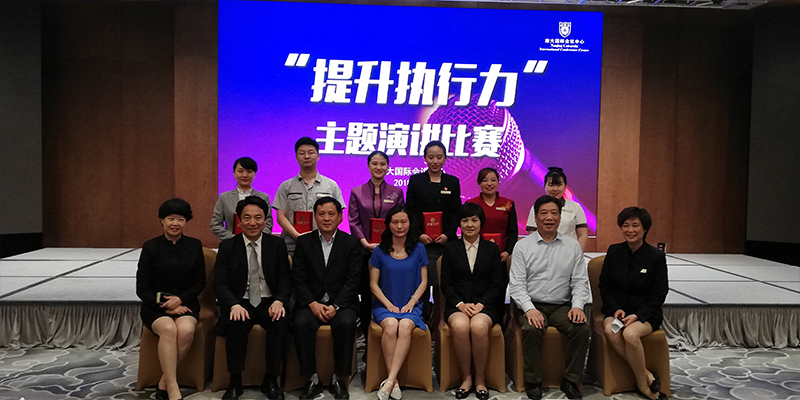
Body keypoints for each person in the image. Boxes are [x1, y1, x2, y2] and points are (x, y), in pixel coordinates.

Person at [509, 195, 590, 400]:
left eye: (554, 213)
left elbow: (580, 281)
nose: (549, 217)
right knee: (532, 328)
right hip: (531, 304)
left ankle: (571, 380)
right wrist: (529, 309)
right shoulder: (522, 246)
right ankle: (533, 381)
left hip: (562, 306)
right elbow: (517, 285)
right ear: (535, 218)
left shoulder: (572, 246)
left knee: (581, 328)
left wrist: (578, 306)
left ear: (560, 217)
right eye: (543, 213)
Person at [215, 196, 291, 400]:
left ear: (265, 220)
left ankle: (271, 379)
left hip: (269, 301)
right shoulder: (227, 247)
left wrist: (279, 301)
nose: (252, 223)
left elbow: (285, 279)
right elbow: (220, 283)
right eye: (247, 218)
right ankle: (235, 380)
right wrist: (233, 304)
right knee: (235, 323)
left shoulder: (276, 245)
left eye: (258, 217)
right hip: (241, 302)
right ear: (239, 220)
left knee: (281, 321)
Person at [291, 197, 362, 400]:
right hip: (311, 303)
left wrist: (336, 306)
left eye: (331, 214)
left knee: (347, 323)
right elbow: (298, 278)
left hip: (342, 303)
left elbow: (353, 279)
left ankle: (340, 378)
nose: (326, 218)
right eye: (321, 214)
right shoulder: (304, 242)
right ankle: (311, 379)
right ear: (315, 217)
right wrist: (312, 304)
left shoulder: (351, 243)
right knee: (300, 323)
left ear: (340, 217)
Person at [136, 198, 205, 400]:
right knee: (168, 329)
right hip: (155, 306)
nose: (175, 223)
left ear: (186, 222)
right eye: (170, 218)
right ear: (161, 220)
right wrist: (166, 305)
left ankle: (163, 382)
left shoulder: (194, 246)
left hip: (186, 304)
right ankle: (173, 388)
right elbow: (142, 288)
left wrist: (180, 300)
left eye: (180, 219)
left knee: (185, 331)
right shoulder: (150, 247)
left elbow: (199, 282)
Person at [599, 207, 668, 400]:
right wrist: (616, 309)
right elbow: (605, 286)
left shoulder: (655, 257)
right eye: (625, 225)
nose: (630, 230)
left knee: (630, 334)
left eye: (635, 225)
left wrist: (638, 315)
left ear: (645, 229)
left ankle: (642, 386)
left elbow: (660, 293)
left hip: (645, 313)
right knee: (611, 330)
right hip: (619, 312)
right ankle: (646, 375)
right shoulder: (614, 251)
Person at [440, 203, 507, 400]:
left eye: (474, 220)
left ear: (481, 223)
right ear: (459, 224)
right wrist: (460, 304)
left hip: (485, 306)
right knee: (460, 326)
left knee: (478, 327)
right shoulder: (450, 249)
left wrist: (481, 305)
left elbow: (497, 285)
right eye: (465, 220)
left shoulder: (492, 249)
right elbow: (446, 284)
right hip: (457, 305)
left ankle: (480, 379)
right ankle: (466, 378)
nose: (470, 224)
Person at [369, 206, 429, 400]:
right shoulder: (379, 250)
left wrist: (413, 301)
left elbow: (424, 281)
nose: (399, 226)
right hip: (384, 305)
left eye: (403, 221)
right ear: (388, 225)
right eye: (395, 222)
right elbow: (373, 284)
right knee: (391, 325)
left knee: (404, 326)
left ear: (410, 223)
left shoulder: (419, 249)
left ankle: (389, 381)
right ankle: (393, 382)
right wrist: (388, 304)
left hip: (411, 304)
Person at [348, 150, 405, 337]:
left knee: (389, 293)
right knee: (366, 295)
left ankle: (390, 335)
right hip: (364, 251)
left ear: (388, 167)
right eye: (374, 163)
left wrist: (388, 243)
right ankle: (366, 338)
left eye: (382, 164)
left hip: (390, 251)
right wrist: (364, 242)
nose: (378, 167)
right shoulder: (356, 192)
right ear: (368, 166)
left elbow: (400, 220)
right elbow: (353, 221)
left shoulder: (397, 192)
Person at [406, 140, 461, 321]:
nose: (435, 161)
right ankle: (420, 323)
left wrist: (448, 235)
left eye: (439, 157)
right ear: (425, 158)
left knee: (442, 287)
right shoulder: (416, 181)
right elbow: (410, 211)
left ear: (445, 158)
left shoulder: (452, 182)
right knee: (419, 285)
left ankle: (440, 323)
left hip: (444, 244)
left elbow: (456, 212)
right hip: (420, 243)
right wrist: (418, 234)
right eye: (431, 157)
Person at [274, 137, 345, 256]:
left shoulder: (331, 185)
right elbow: (281, 217)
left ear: (318, 156)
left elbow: (339, 216)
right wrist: (298, 236)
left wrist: (323, 235)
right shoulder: (286, 186)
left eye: (311, 152)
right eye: (302, 153)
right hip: (292, 245)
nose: (306, 156)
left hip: (323, 245)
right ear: (296, 157)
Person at [525, 167, 588, 251]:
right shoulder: (536, 207)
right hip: (542, 253)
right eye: (551, 185)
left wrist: (577, 254)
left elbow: (582, 235)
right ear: (544, 186)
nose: (555, 189)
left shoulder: (575, 207)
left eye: (559, 185)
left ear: (565, 186)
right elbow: (532, 234)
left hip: (569, 253)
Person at [211, 156, 273, 240]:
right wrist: (235, 239)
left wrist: (256, 238)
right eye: (240, 171)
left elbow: (268, 224)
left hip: (258, 243)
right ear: (234, 173)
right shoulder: (224, 197)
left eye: (249, 172)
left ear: (254, 174)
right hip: (231, 243)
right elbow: (215, 224)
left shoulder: (264, 197)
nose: (244, 175)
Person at [466, 167, 518, 263]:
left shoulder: (508, 204)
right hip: (475, 254)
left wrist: (508, 252)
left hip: (502, 255)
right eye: (484, 180)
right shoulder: (471, 204)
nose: (489, 183)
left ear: (498, 182)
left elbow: (513, 232)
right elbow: (466, 230)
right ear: (479, 183)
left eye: (493, 180)